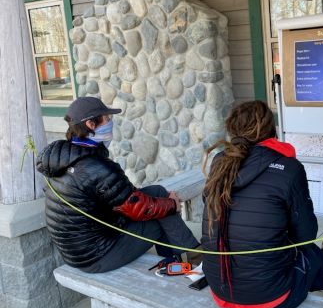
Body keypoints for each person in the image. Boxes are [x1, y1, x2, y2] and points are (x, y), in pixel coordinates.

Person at [201, 100, 323, 308]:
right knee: (307, 251)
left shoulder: (219, 163)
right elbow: (306, 235)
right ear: (271, 130)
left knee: (280, 244)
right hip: (270, 299)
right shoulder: (289, 168)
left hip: (220, 291)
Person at [36, 96, 200, 273]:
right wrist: (173, 204)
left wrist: (164, 202)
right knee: (161, 219)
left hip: (80, 248)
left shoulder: (68, 156)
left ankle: (183, 260)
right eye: (107, 119)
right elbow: (140, 209)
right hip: (96, 255)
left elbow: (123, 198)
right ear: (91, 125)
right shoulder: (95, 166)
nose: (110, 123)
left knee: (157, 191)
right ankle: (193, 261)